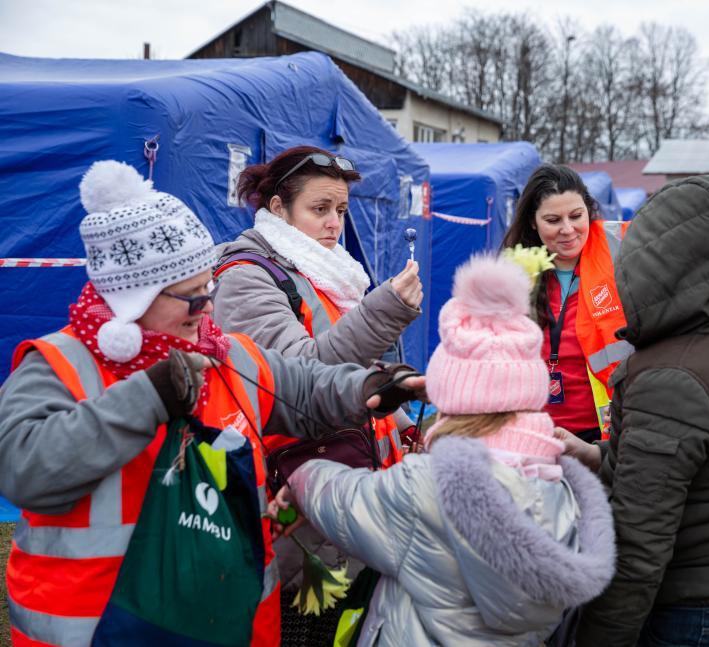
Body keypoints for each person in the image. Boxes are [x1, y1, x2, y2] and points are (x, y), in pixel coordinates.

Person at [0, 160, 425, 647]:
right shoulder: (60, 363)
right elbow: (22, 468)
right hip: (101, 627)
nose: (207, 308)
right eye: (189, 295)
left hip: (227, 623)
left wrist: (376, 385)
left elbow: (308, 386)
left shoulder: (223, 353)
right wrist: (147, 397)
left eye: (208, 288)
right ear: (130, 298)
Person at [272, 254, 617, 646]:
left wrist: (303, 476)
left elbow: (345, 501)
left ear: (453, 394)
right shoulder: (561, 488)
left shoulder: (427, 488)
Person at [564, 175, 709, 646]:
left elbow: (637, 548)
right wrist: (593, 455)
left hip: (705, 618)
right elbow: (698, 463)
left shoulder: (672, 378)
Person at [212, 146, 424, 639]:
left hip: (350, 494)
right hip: (298, 508)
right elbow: (303, 380)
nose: (334, 224)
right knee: (305, 627)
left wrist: (409, 427)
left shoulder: (327, 272)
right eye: (320, 209)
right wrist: (384, 311)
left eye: (341, 211)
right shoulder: (247, 279)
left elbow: (359, 373)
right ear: (279, 210)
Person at [501, 164, 631, 443]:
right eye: (553, 220)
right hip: (533, 433)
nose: (568, 229)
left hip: (608, 431)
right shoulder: (515, 271)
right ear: (533, 222)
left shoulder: (623, 247)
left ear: (589, 209)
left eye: (576, 215)